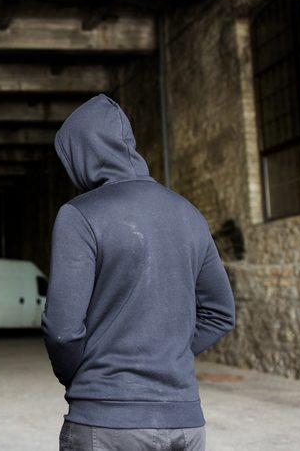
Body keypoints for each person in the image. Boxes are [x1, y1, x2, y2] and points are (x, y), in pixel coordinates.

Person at [42, 94, 235, 451]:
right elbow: (221, 313)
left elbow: (63, 330)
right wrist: (168, 355)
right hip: (185, 424)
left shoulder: (79, 215)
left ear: (81, 155)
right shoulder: (189, 214)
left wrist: (81, 374)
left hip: (106, 423)